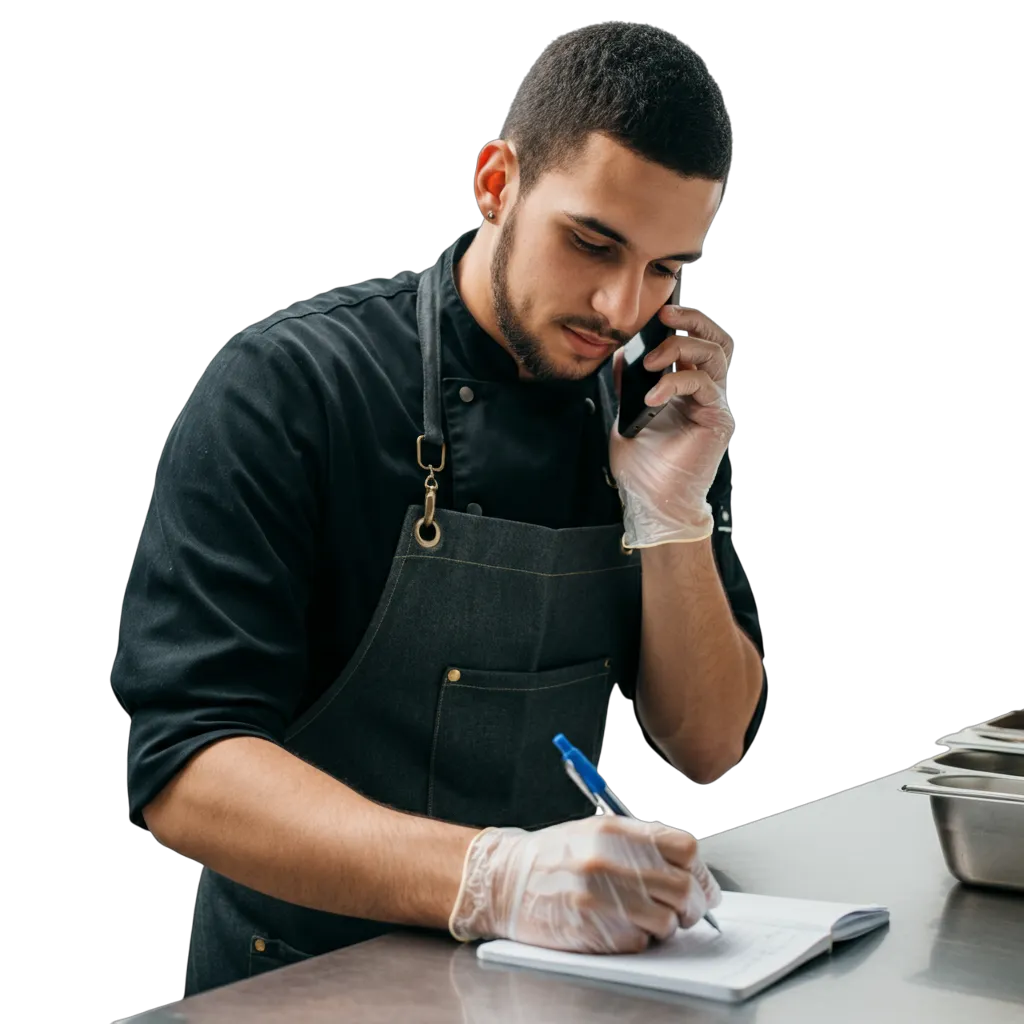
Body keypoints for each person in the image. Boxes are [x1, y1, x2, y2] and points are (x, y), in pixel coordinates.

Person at [110, 20, 766, 996]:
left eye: (666, 267)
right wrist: (491, 877)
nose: (621, 305)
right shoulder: (289, 387)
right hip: (299, 988)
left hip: (549, 985)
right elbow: (185, 770)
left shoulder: (650, 414)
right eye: (591, 241)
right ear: (496, 182)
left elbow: (707, 742)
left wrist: (673, 515)